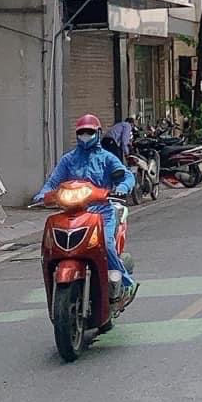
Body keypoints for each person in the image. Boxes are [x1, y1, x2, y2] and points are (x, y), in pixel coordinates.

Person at [34, 114, 138, 309]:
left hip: (102, 213)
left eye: (89, 132)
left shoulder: (107, 158)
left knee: (106, 245)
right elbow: (53, 182)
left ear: (98, 133)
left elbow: (126, 177)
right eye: (82, 132)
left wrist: (122, 188)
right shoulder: (68, 160)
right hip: (73, 213)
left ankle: (126, 284)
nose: (85, 135)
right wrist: (42, 195)